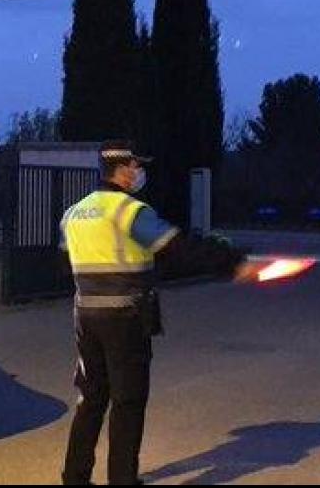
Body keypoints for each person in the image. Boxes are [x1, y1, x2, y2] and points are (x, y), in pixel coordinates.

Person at [60, 140, 257, 486]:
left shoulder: (75, 212)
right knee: (128, 400)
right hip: (125, 316)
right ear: (121, 169)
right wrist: (231, 263)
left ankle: (75, 478)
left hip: (85, 316)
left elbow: (67, 258)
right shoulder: (130, 211)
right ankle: (122, 480)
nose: (139, 172)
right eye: (135, 165)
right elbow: (177, 248)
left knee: (90, 398)